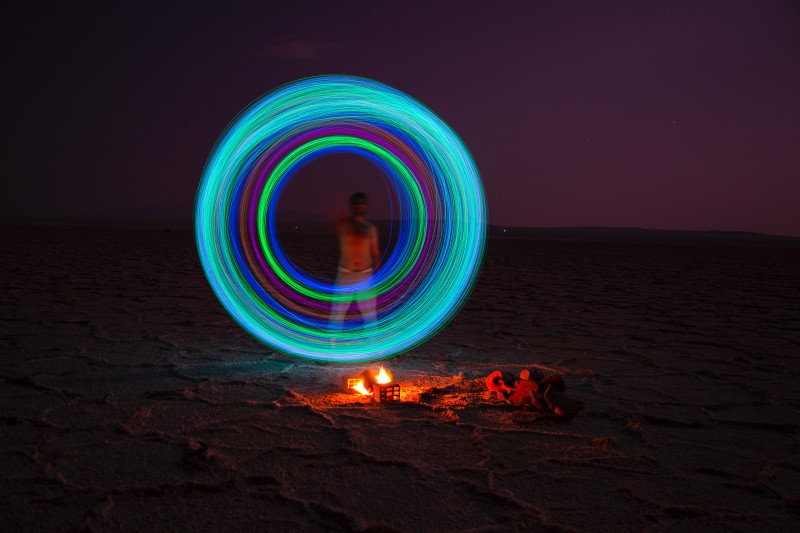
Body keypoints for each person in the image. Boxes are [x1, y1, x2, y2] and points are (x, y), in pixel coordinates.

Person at [329, 193, 379, 330]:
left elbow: (375, 254)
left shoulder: (370, 228)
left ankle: (373, 348)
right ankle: (331, 347)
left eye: (362, 203)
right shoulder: (344, 224)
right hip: (345, 275)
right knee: (337, 313)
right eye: (357, 203)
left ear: (366, 206)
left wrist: (377, 275)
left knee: (370, 315)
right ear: (352, 206)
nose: (360, 205)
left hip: (365, 276)